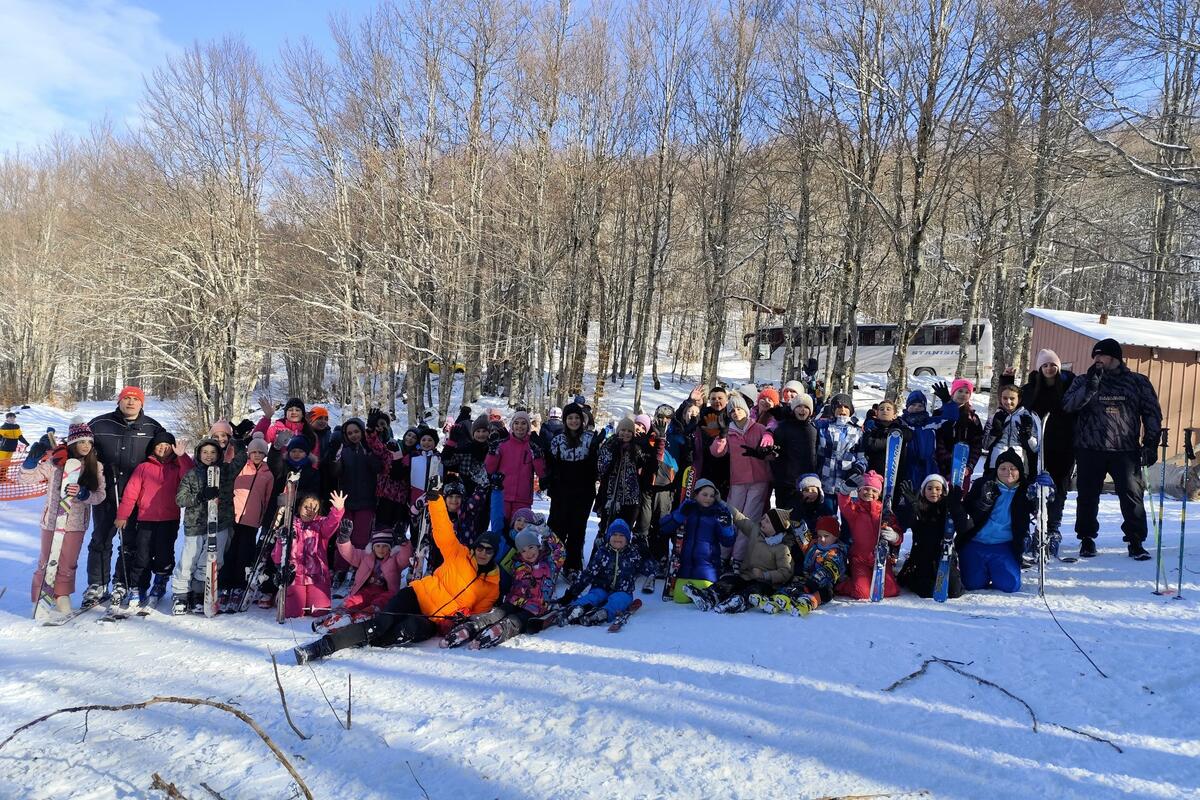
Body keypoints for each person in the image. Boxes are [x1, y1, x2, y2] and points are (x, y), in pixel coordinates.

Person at [291, 492, 501, 664]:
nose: (482, 553)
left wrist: (460, 618)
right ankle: (322, 646)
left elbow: (476, 615)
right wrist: (436, 500)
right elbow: (443, 530)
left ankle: (357, 637)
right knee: (380, 624)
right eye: (480, 548)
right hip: (416, 596)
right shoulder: (459, 554)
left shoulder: (491, 586)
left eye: (488, 550)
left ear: (494, 554)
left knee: (400, 632)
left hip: (433, 620)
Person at [1062, 338, 1162, 560]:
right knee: (1087, 496)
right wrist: (1091, 385)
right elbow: (1069, 406)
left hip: (1125, 450)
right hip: (1090, 448)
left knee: (1132, 496)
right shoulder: (1082, 381)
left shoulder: (1137, 382)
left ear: (1115, 358)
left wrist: (1151, 444)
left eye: (1101, 356)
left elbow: (1152, 413)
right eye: (1094, 356)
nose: (1097, 360)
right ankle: (1087, 539)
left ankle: (1135, 540)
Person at [84, 386, 166, 608]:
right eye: (126, 398)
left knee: (129, 542)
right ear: (119, 401)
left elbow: (164, 456)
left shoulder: (152, 428)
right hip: (105, 494)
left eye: (135, 399)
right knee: (101, 540)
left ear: (142, 403)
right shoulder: (99, 424)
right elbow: (78, 446)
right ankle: (97, 585)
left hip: (135, 497)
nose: (130, 402)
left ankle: (122, 581)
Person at [20, 420, 107, 614]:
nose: (86, 446)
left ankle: (62, 596)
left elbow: (100, 496)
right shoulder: (55, 464)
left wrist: (84, 494)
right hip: (52, 521)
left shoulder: (96, 466)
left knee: (68, 563)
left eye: (89, 442)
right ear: (72, 443)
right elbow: (26, 478)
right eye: (81, 442)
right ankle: (40, 597)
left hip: (75, 524)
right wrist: (30, 463)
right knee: (46, 560)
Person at [442, 526, 566, 649]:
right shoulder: (517, 563)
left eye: (531, 547)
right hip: (514, 600)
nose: (528, 553)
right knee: (497, 613)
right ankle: (471, 627)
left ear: (538, 546)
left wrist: (547, 532)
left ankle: (499, 630)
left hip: (535, 606)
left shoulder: (550, 564)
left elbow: (561, 552)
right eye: (523, 550)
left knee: (516, 619)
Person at [949, 449, 1053, 592]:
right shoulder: (983, 484)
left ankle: (995, 569)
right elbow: (966, 514)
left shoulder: (1026, 490)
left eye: (1013, 468)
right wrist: (982, 504)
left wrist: (1047, 493)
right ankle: (980, 569)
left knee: (1010, 585)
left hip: (1004, 545)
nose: (1008, 472)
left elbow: (1043, 511)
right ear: (996, 469)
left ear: (1020, 471)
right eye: (1003, 468)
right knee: (972, 584)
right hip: (976, 542)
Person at [113, 430, 192, 610]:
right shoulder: (143, 467)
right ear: (153, 447)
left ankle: (160, 582)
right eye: (159, 445)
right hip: (146, 520)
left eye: (166, 446)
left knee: (164, 554)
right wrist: (122, 515)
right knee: (142, 555)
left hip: (169, 519)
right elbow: (131, 493)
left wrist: (182, 457)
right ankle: (138, 587)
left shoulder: (178, 466)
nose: (163, 449)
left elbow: (190, 477)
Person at [172, 437, 248, 615]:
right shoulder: (192, 474)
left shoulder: (226, 471)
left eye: (213, 452)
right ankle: (181, 595)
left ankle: (200, 594)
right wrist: (200, 496)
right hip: (195, 526)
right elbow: (180, 500)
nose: (209, 456)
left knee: (210, 561)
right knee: (188, 561)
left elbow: (242, 459)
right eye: (205, 452)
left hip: (219, 524)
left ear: (219, 454)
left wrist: (237, 440)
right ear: (199, 454)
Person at [1019, 349, 1077, 558]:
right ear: (1039, 368)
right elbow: (1015, 405)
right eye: (1045, 365)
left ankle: (1053, 527)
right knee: (1037, 486)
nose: (1049, 369)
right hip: (1038, 446)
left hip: (1063, 446)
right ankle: (1037, 524)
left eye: (1053, 365)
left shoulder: (1069, 386)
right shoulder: (1031, 388)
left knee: (1059, 488)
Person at [683, 507, 793, 614]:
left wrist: (765, 575)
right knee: (729, 581)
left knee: (754, 591)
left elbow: (785, 572)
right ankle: (710, 596)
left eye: (767, 521)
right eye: (764, 518)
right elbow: (740, 519)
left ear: (776, 528)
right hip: (746, 576)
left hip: (766, 584)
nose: (762, 522)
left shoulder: (782, 548)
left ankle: (737, 602)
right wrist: (722, 504)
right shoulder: (756, 531)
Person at [315, 526, 413, 633]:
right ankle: (339, 614)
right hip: (366, 590)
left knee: (382, 600)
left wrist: (403, 542)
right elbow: (351, 554)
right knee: (356, 599)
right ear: (372, 547)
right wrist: (344, 540)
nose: (381, 549)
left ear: (390, 548)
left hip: (385, 591)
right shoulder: (365, 556)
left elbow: (405, 557)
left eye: (385, 546)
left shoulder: (394, 560)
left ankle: (365, 614)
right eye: (378, 546)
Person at [558, 519, 656, 626]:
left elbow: (650, 569)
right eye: (614, 534)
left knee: (619, 600)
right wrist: (571, 593)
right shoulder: (602, 553)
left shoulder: (633, 554)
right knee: (594, 596)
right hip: (601, 588)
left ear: (627, 539)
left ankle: (602, 613)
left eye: (621, 535)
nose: (617, 538)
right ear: (609, 537)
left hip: (623, 591)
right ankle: (576, 608)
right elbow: (588, 574)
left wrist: (646, 555)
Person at [545, 402, 602, 576]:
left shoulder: (590, 438)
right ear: (565, 420)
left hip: (583, 490)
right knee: (558, 527)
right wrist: (550, 484)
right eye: (570, 418)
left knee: (577, 528)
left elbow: (597, 466)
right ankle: (553, 562)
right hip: (562, 490)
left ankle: (573, 565)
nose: (574, 421)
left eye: (577, 417)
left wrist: (596, 449)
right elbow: (551, 465)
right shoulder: (557, 440)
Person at [658, 478, 736, 602]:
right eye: (704, 494)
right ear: (695, 494)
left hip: (707, 569)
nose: (708, 498)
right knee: (680, 599)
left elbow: (728, 542)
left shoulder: (718, 513)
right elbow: (664, 528)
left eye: (711, 496)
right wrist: (680, 514)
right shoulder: (687, 509)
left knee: (703, 595)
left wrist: (727, 527)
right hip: (684, 568)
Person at [637, 404, 691, 582]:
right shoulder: (651, 434)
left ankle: (661, 557)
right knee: (645, 522)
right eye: (661, 416)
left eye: (667, 417)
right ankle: (646, 556)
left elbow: (685, 457)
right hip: (648, 484)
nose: (664, 420)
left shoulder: (677, 436)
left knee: (662, 520)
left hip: (667, 485)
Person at [752, 515, 847, 615]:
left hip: (822, 583)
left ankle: (808, 602)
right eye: (819, 536)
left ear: (835, 536)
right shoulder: (814, 545)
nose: (822, 539)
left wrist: (815, 580)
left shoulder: (836, 553)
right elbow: (805, 541)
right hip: (806, 578)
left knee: (826, 592)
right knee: (794, 584)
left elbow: (829, 570)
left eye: (826, 536)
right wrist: (797, 527)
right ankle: (778, 599)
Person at [221, 433, 274, 611]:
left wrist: (262, 517)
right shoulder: (242, 468)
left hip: (252, 520)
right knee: (230, 552)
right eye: (254, 452)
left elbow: (267, 500)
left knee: (245, 553)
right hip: (233, 517)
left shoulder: (268, 474)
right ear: (249, 453)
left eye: (260, 452)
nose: (257, 455)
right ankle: (225, 585)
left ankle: (239, 585)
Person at [273, 490, 347, 618]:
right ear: (300, 507)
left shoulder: (321, 525)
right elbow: (277, 558)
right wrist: (281, 540)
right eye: (306, 506)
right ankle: (282, 596)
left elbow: (331, 523)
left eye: (314, 508)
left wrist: (338, 509)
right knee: (293, 613)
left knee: (319, 612)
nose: (310, 510)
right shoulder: (289, 526)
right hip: (295, 577)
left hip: (317, 577)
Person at [325, 417, 382, 573]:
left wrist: (369, 452)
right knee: (344, 536)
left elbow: (378, 468)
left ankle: (359, 569)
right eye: (350, 433)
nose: (354, 435)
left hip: (366, 501)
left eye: (356, 431)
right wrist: (335, 459)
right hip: (346, 502)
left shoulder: (369, 448)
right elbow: (335, 473)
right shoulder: (343, 450)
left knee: (361, 538)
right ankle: (340, 569)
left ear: (362, 432)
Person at [835, 470, 902, 600]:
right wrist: (844, 492)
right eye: (865, 489)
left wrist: (895, 536)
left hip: (881, 558)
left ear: (879, 493)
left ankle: (867, 580)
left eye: (874, 491)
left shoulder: (885, 513)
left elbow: (898, 534)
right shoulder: (855, 511)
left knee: (891, 590)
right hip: (860, 559)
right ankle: (846, 584)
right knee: (862, 594)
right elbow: (844, 505)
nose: (869, 493)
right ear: (859, 491)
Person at [711, 394, 777, 522]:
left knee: (750, 517)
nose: (736, 412)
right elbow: (717, 452)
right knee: (733, 514)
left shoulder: (759, 428)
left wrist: (766, 452)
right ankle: (730, 541)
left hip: (759, 479)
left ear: (745, 410)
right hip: (738, 479)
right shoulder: (728, 431)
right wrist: (721, 437)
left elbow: (772, 454)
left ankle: (743, 543)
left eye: (739, 409)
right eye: (732, 410)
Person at [895, 474, 961, 599]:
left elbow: (965, 526)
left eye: (938, 488)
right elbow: (906, 523)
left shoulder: (948, 509)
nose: (933, 492)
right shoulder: (919, 507)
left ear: (944, 491)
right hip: (923, 557)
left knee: (954, 592)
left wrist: (957, 507)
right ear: (923, 491)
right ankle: (910, 575)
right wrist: (912, 507)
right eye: (929, 488)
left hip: (945, 556)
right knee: (928, 591)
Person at [484, 410, 546, 527]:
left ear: (528, 426)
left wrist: (537, 455)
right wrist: (492, 452)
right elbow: (489, 469)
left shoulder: (532, 446)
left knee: (519, 535)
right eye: (516, 423)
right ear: (512, 425)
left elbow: (541, 472)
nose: (520, 426)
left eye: (523, 423)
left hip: (522, 498)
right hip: (502, 497)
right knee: (499, 531)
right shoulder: (502, 445)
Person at [596, 416, 654, 535]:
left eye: (629, 431)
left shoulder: (636, 448)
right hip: (610, 497)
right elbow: (601, 468)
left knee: (624, 533)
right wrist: (614, 449)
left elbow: (650, 466)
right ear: (618, 431)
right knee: (605, 531)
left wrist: (647, 447)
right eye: (623, 430)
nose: (625, 433)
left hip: (630, 500)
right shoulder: (609, 444)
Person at [898, 389, 958, 490]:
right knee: (909, 494)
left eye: (920, 406)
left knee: (928, 494)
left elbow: (951, 418)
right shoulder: (900, 422)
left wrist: (948, 402)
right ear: (907, 406)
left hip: (929, 465)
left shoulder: (931, 422)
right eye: (913, 405)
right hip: (907, 465)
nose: (916, 408)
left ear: (924, 408)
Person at [770, 394, 819, 510]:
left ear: (810, 411)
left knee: (803, 518)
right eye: (799, 406)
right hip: (785, 483)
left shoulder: (813, 430)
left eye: (806, 407)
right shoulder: (783, 428)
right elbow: (775, 454)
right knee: (783, 516)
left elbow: (816, 455)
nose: (802, 410)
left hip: (807, 484)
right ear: (793, 409)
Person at [933, 379, 984, 489]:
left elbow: (977, 444)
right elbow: (937, 440)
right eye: (960, 391)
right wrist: (949, 459)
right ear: (953, 392)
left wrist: (969, 466)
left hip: (963, 468)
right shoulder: (939, 413)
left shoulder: (973, 418)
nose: (963, 395)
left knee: (958, 498)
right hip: (941, 466)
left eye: (967, 392)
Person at [982, 384, 1039, 479]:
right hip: (995, 464)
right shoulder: (995, 416)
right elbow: (985, 445)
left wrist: (1027, 436)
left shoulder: (1027, 417)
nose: (1008, 402)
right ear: (1000, 399)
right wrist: (995, 432)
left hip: (1018, 464)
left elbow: (1035, 448)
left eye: (1012, 398)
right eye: (1005, 398)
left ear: (1019, 399)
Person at [815, 393, 863, 494]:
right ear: (833, 409)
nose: (842, 409)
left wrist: (858, 469)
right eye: (839, 406)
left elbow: (862, 457)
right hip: (824, 483)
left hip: (847, 485)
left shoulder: (858, 431)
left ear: (851, 410)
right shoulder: (823, 428)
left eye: (846, 407)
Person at [0, 411, 29, 482]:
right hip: (3, 449)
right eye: (10, 418)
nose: (12, 419)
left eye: (13, 418)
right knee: (1, 462)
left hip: (12, 449)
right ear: (7, 418)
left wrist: (26, 442)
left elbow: (20, 436)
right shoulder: (3, 427)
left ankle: (2, 477)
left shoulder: (17, 427)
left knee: (7, 464)